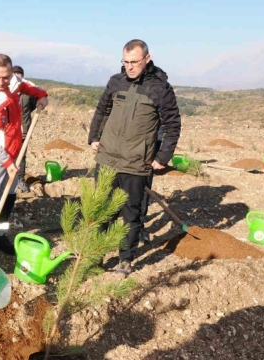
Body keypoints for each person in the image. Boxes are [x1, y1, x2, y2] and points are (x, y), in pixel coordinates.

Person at [88, 39, 181, 274]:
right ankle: (96, 256)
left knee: (131, 215)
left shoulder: (160, 88)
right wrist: (94, 136)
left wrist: (163, 156)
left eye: (134, 62)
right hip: (107, 158)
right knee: (101, 211)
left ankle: (125, 259)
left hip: (136, 164)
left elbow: (173, 124)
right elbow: (102, 110)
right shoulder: (115, 82)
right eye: (125, 62)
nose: (129, 67)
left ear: (146, 59)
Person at [0, 54, 48, 254]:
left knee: (9, 196)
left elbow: (25, 84)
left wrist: (40, 94)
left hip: (14, 151)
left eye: (6, 76)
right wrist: (6, 161)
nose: (2, 82)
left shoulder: (12, 80)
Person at [11, 66, 39, 192]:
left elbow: (32, 104)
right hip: (10, 128)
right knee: (9, 153)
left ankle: (20, 180)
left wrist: (25, 117)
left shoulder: (28, 91)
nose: (17, 76)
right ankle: (9, 180)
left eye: (19, 74)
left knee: (22, 155)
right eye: (15, 74)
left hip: (24, 127)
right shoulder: (8, 90)